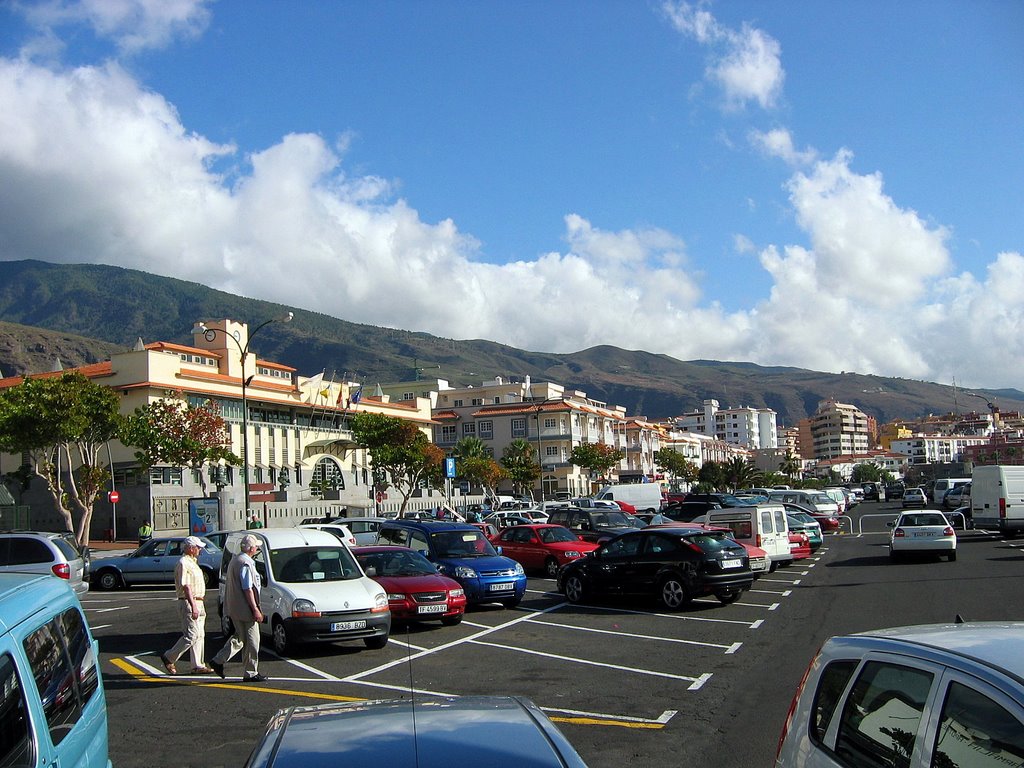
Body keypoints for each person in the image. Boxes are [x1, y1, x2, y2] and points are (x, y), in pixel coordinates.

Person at [210, 534, 266, 682]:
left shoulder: (235, 560)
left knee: (240, 638)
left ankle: (218, 660)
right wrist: (255, 609)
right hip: (245, 608)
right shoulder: (246, 563)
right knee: (253, 640)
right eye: (256, 547)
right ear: (251, 548)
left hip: (234, 607)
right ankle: (251, 672)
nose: (257, 549)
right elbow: (248, 588)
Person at [160, 537, 213, 675]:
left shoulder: (193, 562)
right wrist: (193, 605)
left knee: (200, 634)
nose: (200, 550)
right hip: (189, 601)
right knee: (192, 635)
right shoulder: (184, 563)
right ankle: (169, 656)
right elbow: (186, 586)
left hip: (199, 601)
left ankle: (197, 665)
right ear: (190, 548)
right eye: (198, 547)